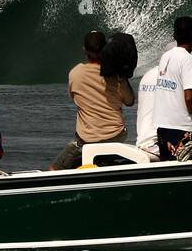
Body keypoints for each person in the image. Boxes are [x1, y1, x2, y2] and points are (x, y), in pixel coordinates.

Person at [52, 30, 134, 170]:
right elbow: (130, 101)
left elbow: (74, 97)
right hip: (116, 135)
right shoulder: (115, 75)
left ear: (84, 50)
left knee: (54, 170)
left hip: (87, 140)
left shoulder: (75, 73)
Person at [152, 16, 192, 160]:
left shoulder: (165, 57)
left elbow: (176, 94)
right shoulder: (188, 59)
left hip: (163, 128)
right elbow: (189, 97)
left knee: (169, 172)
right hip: (181, 128)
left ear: (175, 35)